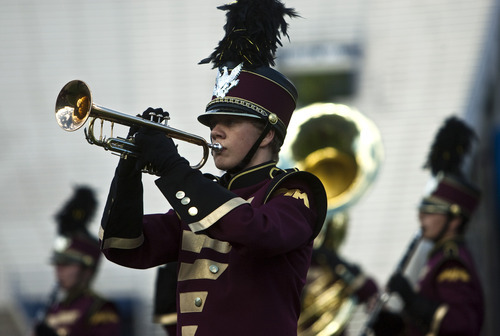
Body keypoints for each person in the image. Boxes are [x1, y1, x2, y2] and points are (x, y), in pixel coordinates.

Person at [99, 1, 327, 336]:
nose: (214, 131)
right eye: (212, 123)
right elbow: (122, 246)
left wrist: (172, 166)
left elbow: (254, 231)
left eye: (230, 123)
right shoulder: (204, 199)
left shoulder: (295, 193)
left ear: (267, 134)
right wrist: (129, 168)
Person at [372, 116, 484, 336]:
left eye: (432, 211)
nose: (422, 217)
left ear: (455, 220)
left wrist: (410, 299)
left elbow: (462, 325)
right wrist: (386, 322)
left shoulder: (452, 263)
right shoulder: (438, 258)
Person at [34, 186, 121, 336]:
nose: (59, 270)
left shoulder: (100, 309)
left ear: (87, 271)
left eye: (66, 264)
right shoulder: (53, 309)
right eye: (58, 264)